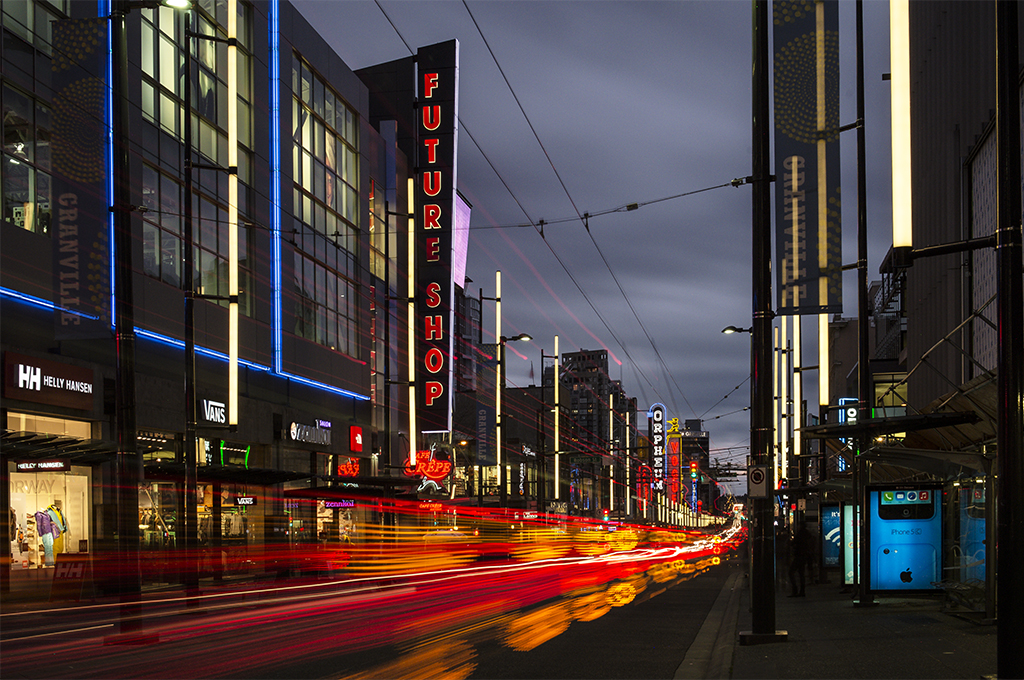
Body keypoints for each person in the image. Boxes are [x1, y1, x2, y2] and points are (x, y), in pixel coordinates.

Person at [788, 521, 813, 597]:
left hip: (799, 555)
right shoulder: (807, 534)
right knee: (801, 573)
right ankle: (802, 590)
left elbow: (794, 543)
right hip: (804, 555)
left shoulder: (800, 534)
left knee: (791, 572)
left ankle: (795, 589)